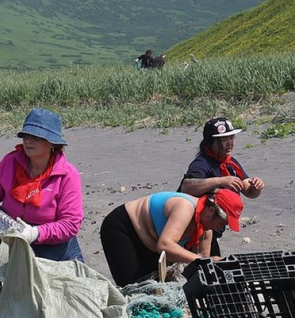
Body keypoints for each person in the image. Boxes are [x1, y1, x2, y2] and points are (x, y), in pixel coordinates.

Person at [0, 108, 85, 262]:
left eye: (36, 137)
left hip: (56, 250)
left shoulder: (68, 175)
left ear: (52, 144)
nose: (28, 140)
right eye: (26, 135)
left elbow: (70, 224)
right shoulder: (10, 162)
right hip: (13, 240)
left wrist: (35, 233)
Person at [99, 189, 243, 287]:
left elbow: (202, 268)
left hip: (151, 241)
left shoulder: (206, 230)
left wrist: (210, 263)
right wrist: (204, 260)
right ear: (210, 211)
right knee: (133, 287)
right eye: (222, 223)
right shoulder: (185, 207)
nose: (220, 228)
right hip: (124, 228)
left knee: (154, 287)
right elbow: (165, 246)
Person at [179, 117, 264, 255]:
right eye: (224, 140)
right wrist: (220, 181)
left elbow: (249, 191)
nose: (230, 143)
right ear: (210, 142)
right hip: (194, 230)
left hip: (214, 227)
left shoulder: (231, 163)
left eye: (232, 138)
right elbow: (187, 187)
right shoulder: (201, 164)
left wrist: (256, 186)